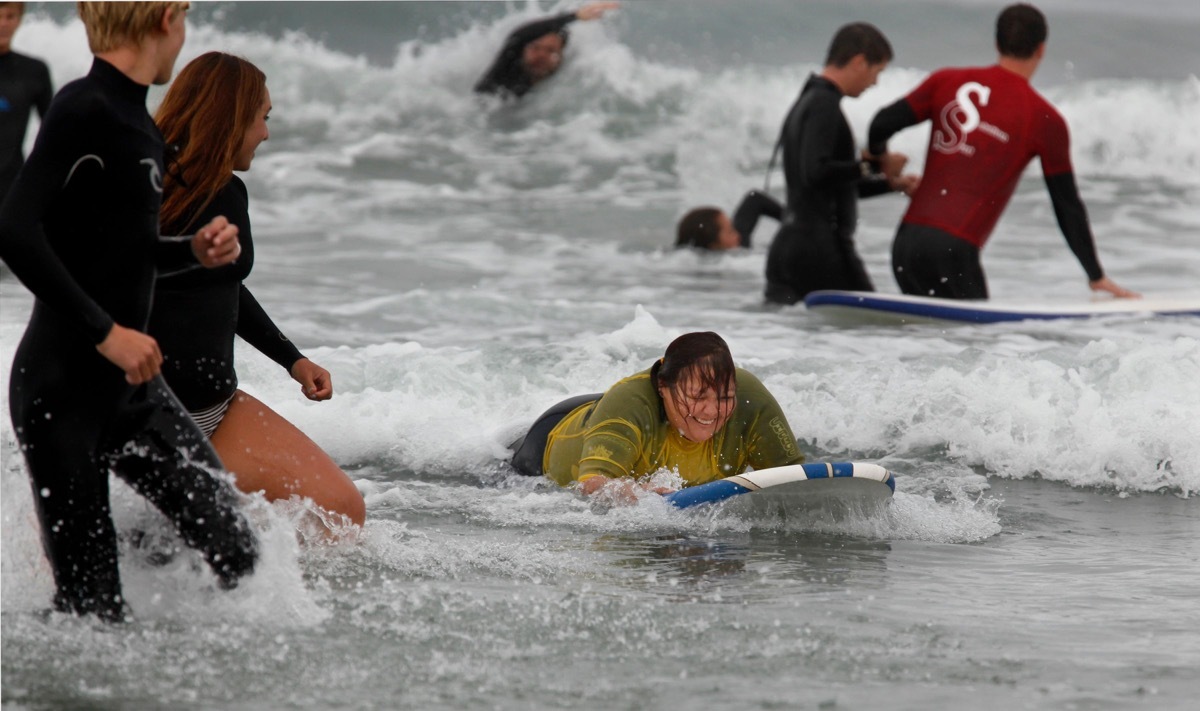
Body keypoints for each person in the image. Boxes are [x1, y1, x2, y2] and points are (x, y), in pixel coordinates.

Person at [0, 2, 258, 623]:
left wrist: (193, 252)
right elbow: (14, 228)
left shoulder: (138, 125)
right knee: (91, 609)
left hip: (131, 393)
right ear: (166, 19)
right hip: (61, 390)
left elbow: (122, 256)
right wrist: (107, 333)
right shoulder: (85, 106)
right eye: (185, 22)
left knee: (238, 552)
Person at [151, 52, 365, 531]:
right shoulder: (146, 184)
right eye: (261, 119)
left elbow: (223, 287)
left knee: (338, 513)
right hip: (152, 415)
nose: (266, 133)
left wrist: (292, 359)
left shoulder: (227, 190)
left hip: (216, 406)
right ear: (229, 120)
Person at [866, 3, 1137, 301]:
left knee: (924, 339)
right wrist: (1095, 275)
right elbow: (1067, 205)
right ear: (1041, 50)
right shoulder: (1044, 119)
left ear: (997, 43)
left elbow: (880, 124)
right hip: (954, 253)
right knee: (972, 345)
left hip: (906, 246)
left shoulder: (946, 81)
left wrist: (883, 164)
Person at [509, 332, 805, 499]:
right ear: (663, 386)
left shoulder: (750, 398)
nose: (712, 411)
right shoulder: (629, 405)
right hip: (545, 444)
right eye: (698, 396)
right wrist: (634, 494)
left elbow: (795, 479)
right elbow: (592, 486)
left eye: (725, 397)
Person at [763, 22, 916, 306]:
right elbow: (816, 173)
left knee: (792, 343)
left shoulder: (807, 99)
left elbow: (829, 185)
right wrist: (874, 167)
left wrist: (889, 183)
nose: (875, 82)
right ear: (859, 62)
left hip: (790, 245)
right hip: (819, 249)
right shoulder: (824, 104)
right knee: (869, 329)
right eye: (876, 71)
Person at [473, 1, 620, 99]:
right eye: (535, 48)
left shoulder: (561, 77)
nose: (541, 55)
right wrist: (575, 16)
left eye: (550, 51)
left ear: (560, 55)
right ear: (522, 49)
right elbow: (520, 35)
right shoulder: (504, 70)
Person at [0, 1, 53, 201]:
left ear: (19, 20)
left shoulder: (34, 71)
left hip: (12, 188)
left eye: (10, 16)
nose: (3, 23)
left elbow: (52, 130)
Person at [676, 190, 783, 250]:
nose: (738, 235)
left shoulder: (739, 244)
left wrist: (796, 223)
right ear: (714, 246)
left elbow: (754, 199)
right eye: (730, 232)